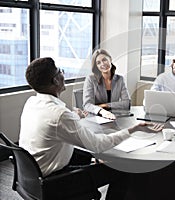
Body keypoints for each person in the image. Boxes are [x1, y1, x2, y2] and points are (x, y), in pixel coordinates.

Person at [19, 57, 164, 200]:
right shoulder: (60, 115)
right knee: (123, 168)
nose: (63, 74)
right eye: (60, 71)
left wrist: (74, 116)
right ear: (56, 80)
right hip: (54, 182)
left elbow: (57, 124)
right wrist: (133, 129)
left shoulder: (32, 102)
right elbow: (98, 145)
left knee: (88, 156)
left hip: (31, 176)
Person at [83, 49, 131, 119]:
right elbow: (87, 105)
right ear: (96, 66)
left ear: (110, 59)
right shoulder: (91, 79)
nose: (102, 64)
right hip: (97, 118)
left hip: (115, 117)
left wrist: (106, 105)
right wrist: (101, 110)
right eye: (98, 63)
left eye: (104, 60)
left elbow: (127, 103)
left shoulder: (120, 79)